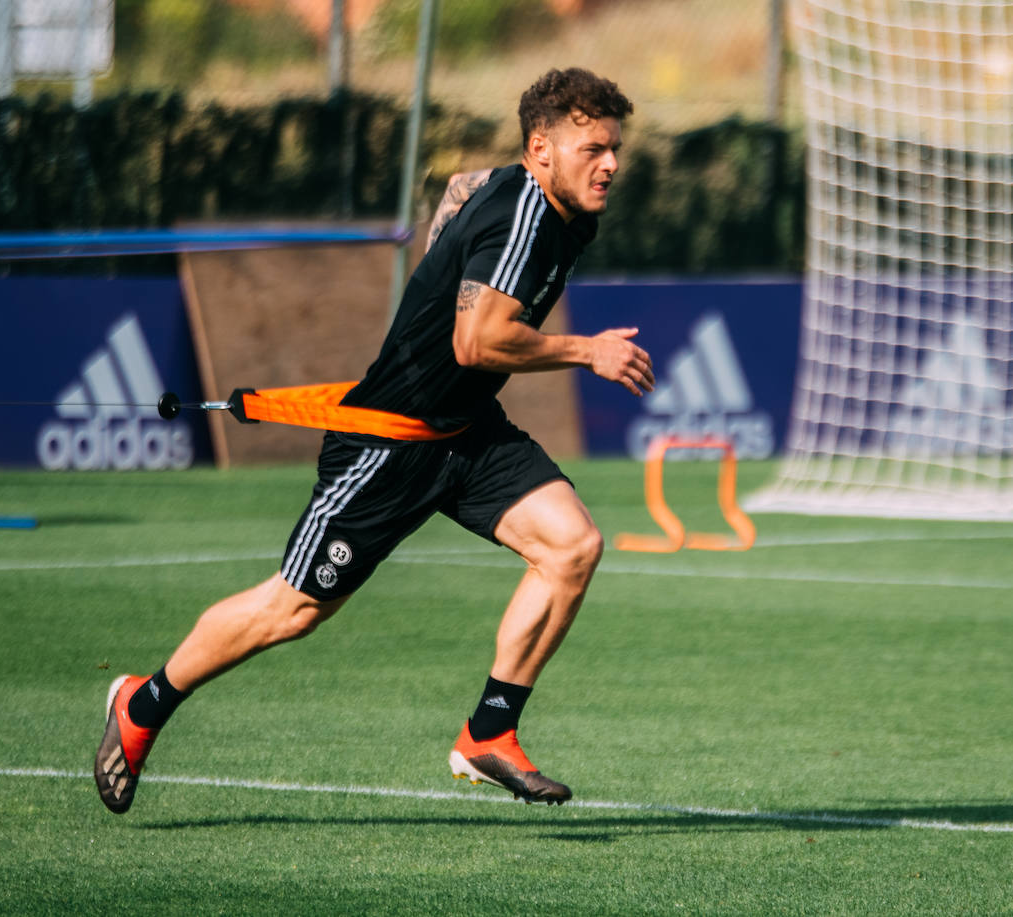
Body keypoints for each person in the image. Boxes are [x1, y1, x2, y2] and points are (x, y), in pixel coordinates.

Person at [95, 67, 652, 812]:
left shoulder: (560, 203)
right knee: (292, 610)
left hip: (464, 431)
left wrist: (448, 236)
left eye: (615, 147)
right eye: (593, 148)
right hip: (388, 442)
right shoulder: (525, 214)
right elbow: (477, 343)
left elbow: (461, 185)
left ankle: (490, 732)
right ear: (541, 149)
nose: (611, 162)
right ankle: (142, 703)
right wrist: (587, 350)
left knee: (571, 546)